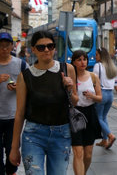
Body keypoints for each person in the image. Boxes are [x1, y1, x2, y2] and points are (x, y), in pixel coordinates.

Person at [9, 30, 78, 174]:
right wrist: (14, 147)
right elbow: (20, 113)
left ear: (54, 48)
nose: (46, 50)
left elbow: (75, 102)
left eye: (50, 46)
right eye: (41, 47)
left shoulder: (67, 69)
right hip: (33, 134)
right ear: (33, 49)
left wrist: (70, 88)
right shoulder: (25, 76)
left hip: (61, 134)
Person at [0, 32, 28, 175]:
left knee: (12, 149)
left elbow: (31, 85)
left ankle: (11, 172)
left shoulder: (21, 64)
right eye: (1, 46)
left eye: (7, 45)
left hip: (13, 116)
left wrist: (20, 87)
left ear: (12, 46)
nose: (4, 49)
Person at [71, 50, 102, 175]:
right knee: (78, 152)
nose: (82, 62)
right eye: (79, 60)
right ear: (73, 62)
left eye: (84, 59)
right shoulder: (71, 78)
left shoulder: (93, 76)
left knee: (88, 154)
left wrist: (92, 96)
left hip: (90, 114)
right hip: (75, 115)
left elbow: (100, 98)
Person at [93, 47, 117, 149]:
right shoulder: (112, 66)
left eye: (96, 54)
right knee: (104, 117)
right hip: (110, 95)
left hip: (102, 94)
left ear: (101, 56)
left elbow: (94, 82)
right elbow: (116, 84)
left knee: (98, 118)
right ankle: (104, 140)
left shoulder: (98, 66)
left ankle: (110, 136)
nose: (95, 56)